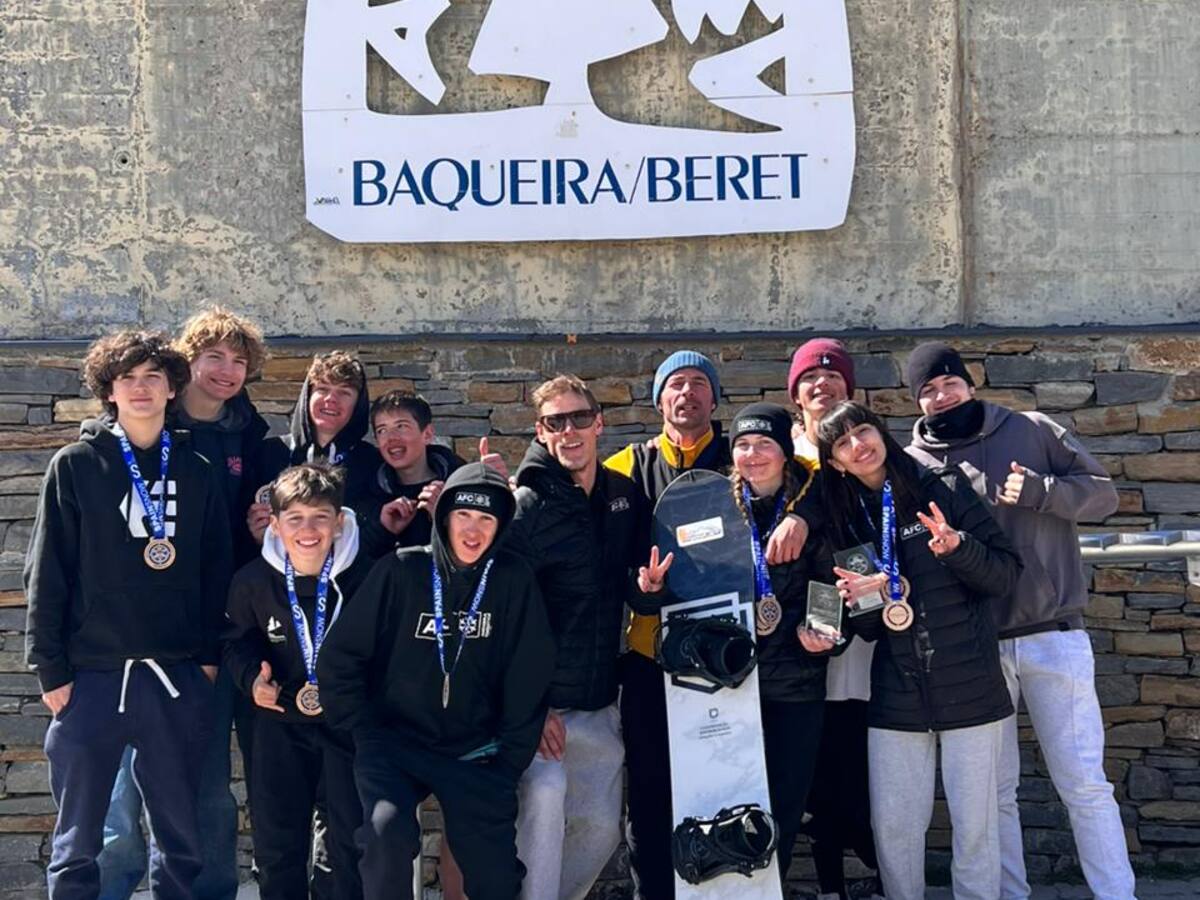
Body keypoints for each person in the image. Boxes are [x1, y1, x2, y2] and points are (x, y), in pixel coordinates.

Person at [904, 341, 1134, 900]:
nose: (941, 396)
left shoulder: (1032, 429)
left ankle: (1117, 895)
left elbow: (1105, 497)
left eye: (949, 383)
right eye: (928, 390)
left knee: (1083, 784)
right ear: (917, 401)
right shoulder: (913, 464)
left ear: (970, 383)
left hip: (1052, 634)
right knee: (994, 793)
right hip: (977, 649)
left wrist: (1043, 491)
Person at [25, 331, 232, 900]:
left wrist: (206, 662)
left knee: (180, 837)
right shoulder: (75, 465)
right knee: (79, 840)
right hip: (92, 677)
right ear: (109, 392)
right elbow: (47, 570)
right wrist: (51, 669)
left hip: (174, 677)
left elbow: (215, 571)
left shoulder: (198, 470)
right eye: (127, 379)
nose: (141, 389)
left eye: (152, 377)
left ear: (172, 389)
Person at [317, 463, 555, 900]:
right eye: (463, 515)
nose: (472, 530)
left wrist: (509, 761)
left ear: (500, 526)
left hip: (475, 750)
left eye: (485, 518)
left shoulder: (512, 579)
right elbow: (340, 656)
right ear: (444, 518)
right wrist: (363, 731)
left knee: (494, 872)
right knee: (385, 837)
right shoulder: (401, 570)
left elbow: (529, 674)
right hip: (395, 745)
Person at [816, 401, 1022, 900]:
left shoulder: (943, 487)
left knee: (976, 827)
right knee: (895, 828)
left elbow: (1005, 573)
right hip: (897, 696)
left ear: (881, 432)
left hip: (970, 684)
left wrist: (958, 547)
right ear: (836, 462)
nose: (857, 445)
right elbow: (870, 629)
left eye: (863, 431)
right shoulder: (848, 519)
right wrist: (866, 599)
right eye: (842, 443)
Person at [97, 307, 269, 900]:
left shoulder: (256, 439)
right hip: (133, 640)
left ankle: (209, 890)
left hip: (211, 637)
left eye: (238, 361)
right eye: (213, 356)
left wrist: (260, 529)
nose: (226, 370)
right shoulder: (139, 429)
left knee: (207, 786)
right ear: (185, 363)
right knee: (121, 789)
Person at [639, 402, 841, 879]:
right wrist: (654, 590)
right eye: (743, 445)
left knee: (782, 811)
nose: (753, 454)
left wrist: (826, 635)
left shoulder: (813, 508)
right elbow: (689, 584)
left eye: (764, 443)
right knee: (724, 807)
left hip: (794, 684)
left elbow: (829, 582)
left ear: (785, 451)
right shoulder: (711, 506)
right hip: (726, 685)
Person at [500, 375, 644, 900]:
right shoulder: (526, 507)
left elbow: (636, 582)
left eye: (579, 417)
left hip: (599, 699)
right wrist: (532, 706)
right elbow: (506, 617)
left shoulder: (623, 495)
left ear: (598, 423)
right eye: (555, 422)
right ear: (540, 431)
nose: (569, 430)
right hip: (543, 708)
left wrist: (648, 590)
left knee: (601, 830)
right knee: (542, 806)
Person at [223, 463, 371, 900]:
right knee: (276, 844)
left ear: (339, 521)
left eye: (320, 517)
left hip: (346, 727)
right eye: (295, 518)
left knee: (345, 844)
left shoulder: (368, 577)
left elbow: (387, 649)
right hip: (276, 726)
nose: (308, 530)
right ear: (275, 524)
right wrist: (252, 680)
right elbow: (235, 642)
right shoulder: (251, 581)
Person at [786, 339, 881, 900]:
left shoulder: (860, 444)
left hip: (860, 611)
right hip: (798, 624)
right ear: (794, 395)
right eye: (809, 379)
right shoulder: (780, 449)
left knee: (858, 765)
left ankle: (877, 874)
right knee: (816, 768)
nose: (821, 385)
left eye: (832, 377)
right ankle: (828, 886)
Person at [246, 350, 382, 546]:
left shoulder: (372, 462)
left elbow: (378, 538)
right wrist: (259, 537)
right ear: (307, 395)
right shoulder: (268, 453)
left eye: (344, 392)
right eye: (322, 389)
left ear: (358, 404)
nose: (331, 399)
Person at [356, 390, 464, 561]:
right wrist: (384, 530)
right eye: (382, 430)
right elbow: (354, 562)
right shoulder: (368, 493)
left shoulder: (460, 486)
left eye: (401, 426)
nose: (392, 438)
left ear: (427, 434)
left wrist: (444, 520)